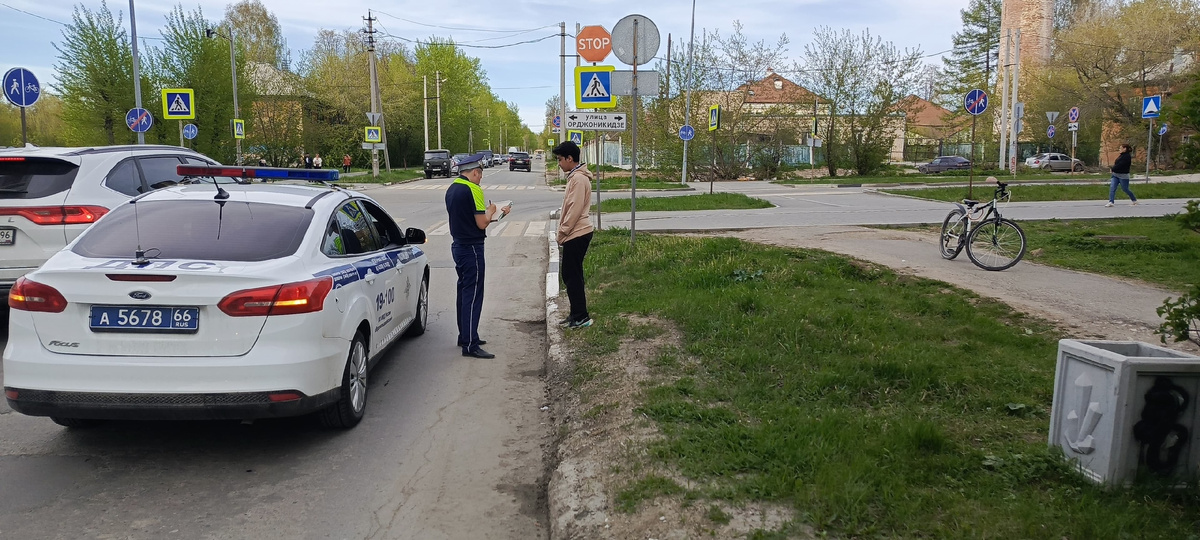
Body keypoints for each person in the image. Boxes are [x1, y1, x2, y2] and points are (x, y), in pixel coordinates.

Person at [445, 153, 510, 358]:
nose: (480, 179)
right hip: (472, 247)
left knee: (463, 292)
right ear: (474, 172)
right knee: (473, 295)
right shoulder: (473, 189)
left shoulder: (452, 188)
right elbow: (481, 223)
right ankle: (471, 344)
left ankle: (465, 335)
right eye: (480, 175)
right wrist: (493, 210)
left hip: (458, 245)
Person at [552, 141, 595, 329]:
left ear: (570, 159)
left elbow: (574, 210)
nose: (559, 164)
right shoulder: (576, 177)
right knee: (572, 274)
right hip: (576, 232)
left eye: (560, 160)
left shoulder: (578, 179)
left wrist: (562, 232)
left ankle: (581, 317)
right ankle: (575, 314)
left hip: (577, 232)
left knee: (572, 275)